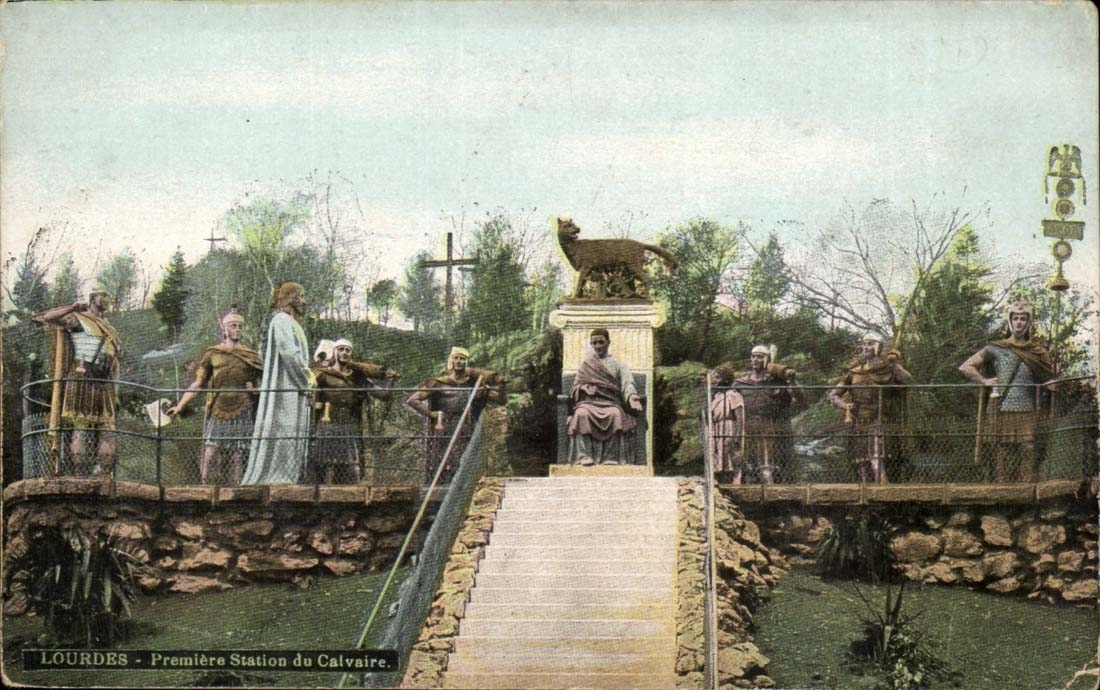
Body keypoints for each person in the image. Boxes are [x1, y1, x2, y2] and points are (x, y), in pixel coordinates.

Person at [959, 300, 1055, 482]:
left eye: (1023, 319)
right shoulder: (995, 348)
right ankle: (1002, 487)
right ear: (1010, 321)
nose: (1019, 322)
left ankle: (1027, 488)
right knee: (1001, 448)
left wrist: (1050, 385)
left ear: (1028, 323)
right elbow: (966, 367)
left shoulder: (1037, 351)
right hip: (1001, 405)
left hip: (1028, 406)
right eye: (1016, 318)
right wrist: (984, 381)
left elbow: (1047, 378)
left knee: (1028, 447)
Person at [167, 308, 263, 484]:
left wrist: (256, 389)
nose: (238, 329)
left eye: (240, 326)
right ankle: (206, 488)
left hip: (242, 408)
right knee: (211, 451)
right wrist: (180, 405)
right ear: (224, 329)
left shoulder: (251, 356)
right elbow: (198, 383)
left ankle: (235, 493)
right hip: (218, 408)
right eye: (234, 326)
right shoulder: (213, 354)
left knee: (237, 453)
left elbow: (264, 384)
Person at [32, 290, 122, 477]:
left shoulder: (108, 326)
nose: (107, 299)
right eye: (102, 295)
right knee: (80, 425)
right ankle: (80, 476)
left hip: (104, 381)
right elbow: (45, 317)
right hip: (82, 376)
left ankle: (102, 474)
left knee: (108, 427)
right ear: (92, 299)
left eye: (108, 296)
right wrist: (72, 307)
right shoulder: (79, 319)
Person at [241, 282, 314, 485]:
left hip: (294, 386)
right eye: (301, 296)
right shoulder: (281, 321)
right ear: (291, 297)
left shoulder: (292, 322)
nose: (304, 301)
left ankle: (288, 475)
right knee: (283, 428)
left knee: (291, 430)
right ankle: (278, 475)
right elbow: (290, 354)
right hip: (287, 386)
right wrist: (305, 381)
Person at [404, 347, 504, 480]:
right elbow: (413, 400)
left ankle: (463, 485)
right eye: (456, 358)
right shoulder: (439, 383)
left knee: (464, 457)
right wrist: (432, 414)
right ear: (451, 361)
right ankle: (440, 483)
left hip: (467, 425)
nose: (458, 361)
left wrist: (502, 387)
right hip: (444, 426)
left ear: (466, 363)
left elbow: (501, 400)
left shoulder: (474, 385)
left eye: (462, 359)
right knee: (440, 457)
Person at [311, 338, 397, 484]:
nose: (344, 352)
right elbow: (308, 391)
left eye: (347, 350)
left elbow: (384, 395)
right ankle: (321, 498)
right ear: (334, 352)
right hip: (327, 424)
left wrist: (391, 380)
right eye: (341, 349)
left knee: (349, 467)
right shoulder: (323, 375)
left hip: (350, 425)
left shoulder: (358, 378)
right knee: (324, 464)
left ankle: (348, 497)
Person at [828, 334, 912, 483]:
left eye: (870, 344)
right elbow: (833, 395)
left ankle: (884, 491)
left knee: (880, 460)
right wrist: (845, 405)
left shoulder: (889, 368)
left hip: (883, 422)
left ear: (879, 347)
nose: (866, 347)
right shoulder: (854, 373)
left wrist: (894, 364)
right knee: (862, 464)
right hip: (859, 423)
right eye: (864, 344)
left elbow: (908, 382)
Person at [710, 345, 799, 484]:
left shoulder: (776, 382)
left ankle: (772, 495)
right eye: (753, 356)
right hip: (746, 427)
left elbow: (798, 400)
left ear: (767, 360)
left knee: (768, 466)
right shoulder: (740, 383)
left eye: (760, 357)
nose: (756, 360)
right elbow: (728, 402)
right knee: (745, 465)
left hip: (768, 428)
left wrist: (792, 382)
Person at [566, 328, 643, 466]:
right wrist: (583, 388)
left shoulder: (618, 364)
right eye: (594, 343)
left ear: (608, 342)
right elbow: (574, 387)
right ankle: (584, 455)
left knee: (616, 415)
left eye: (601, 342)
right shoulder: (586, 364)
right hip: (589, 403)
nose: (597, 346)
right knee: (581, 414)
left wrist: (632, 397)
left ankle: (611, 457)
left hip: (610, 403)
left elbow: (628, 383)